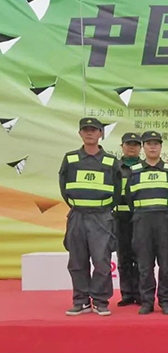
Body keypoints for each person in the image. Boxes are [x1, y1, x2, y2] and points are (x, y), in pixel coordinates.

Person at [59, 117, 121, 316]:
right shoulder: (70, 159)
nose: (89, 133)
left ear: (101, 133)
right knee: (77, 261)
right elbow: (63, 187)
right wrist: (79, 205)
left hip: (101, 217)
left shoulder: (111, 161)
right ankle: (81, 301)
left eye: (93, 130)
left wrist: (102, 208)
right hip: (77, 215)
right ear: (80, 133)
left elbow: (117, 190)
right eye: (85, 130)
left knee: (102, 261)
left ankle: (101, 301)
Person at [126, 131, 168, 315]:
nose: (153, 147)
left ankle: (165, 300)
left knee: (166, 264)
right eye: (149, 143)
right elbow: (129, 198)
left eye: (156, 143)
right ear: (143, 147)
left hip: (165, 222)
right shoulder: (134, 171)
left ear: (161, 147)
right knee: (144, 265)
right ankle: (147, 301)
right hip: (142, 221)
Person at [114, 133, 142, 307]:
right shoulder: (114, 167)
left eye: (135, 144)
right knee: (123, 257)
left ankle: (140, 293)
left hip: (141, 218)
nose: (132, 147)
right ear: (122, 146)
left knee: (140, 257)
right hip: (120, 219)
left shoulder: (144, 167)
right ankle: (127, 294)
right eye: (128, 144)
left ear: (140, 148)